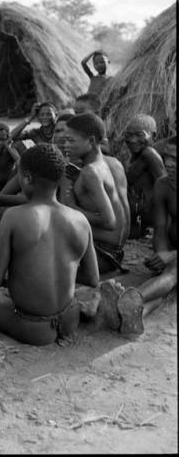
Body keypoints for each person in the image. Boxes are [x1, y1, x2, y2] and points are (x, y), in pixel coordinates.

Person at [0, 144, 99, 346]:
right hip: (70, 317)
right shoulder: (80, 219)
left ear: (27, 178)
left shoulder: (15, 216)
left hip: (34, 327)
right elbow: (92, 278)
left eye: (19, 175)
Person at [97, 136, 177, 335]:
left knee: (173, 272)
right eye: (167, 157)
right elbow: (159, 228)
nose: (168, 163)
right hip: (171, 251)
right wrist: (162, 254)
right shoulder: (164, 185)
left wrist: (172, 256)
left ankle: (126, 300)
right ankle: (135, 317)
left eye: (175, 159)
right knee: (166, 277)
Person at [62, 113, 130, 275]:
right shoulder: (114, 163)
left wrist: (71, 205)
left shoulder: (90, 172)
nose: (66, 145)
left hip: (100, 255)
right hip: (116, 252)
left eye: (71, 141)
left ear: (91, 141)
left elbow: (109, 222)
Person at [123, 114, 166, 238]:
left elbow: (164, 185)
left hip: (150, 219)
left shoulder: (149, 154)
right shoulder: (136, 155)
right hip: (139, 217)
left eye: (139, 135)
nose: (132, 140)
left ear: (153, 135)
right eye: (128, 135)